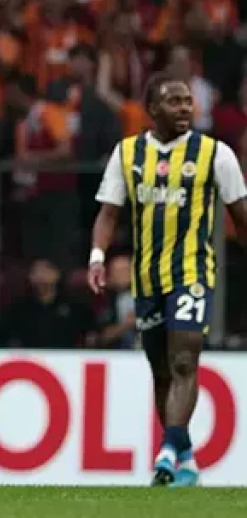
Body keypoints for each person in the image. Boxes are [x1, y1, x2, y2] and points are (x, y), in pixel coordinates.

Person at [88, 74, 247, 488]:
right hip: (146, 278)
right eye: (174, 101)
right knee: (161, 370)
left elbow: (241, 214)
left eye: (188, 101)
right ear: (152, 109)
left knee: (184, 359)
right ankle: (184, 457)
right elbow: (108, 213)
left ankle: (166, 453)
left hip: (193, 272)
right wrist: (97, 256)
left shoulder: (216, 154)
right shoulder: (127, 153)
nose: (184, 108)